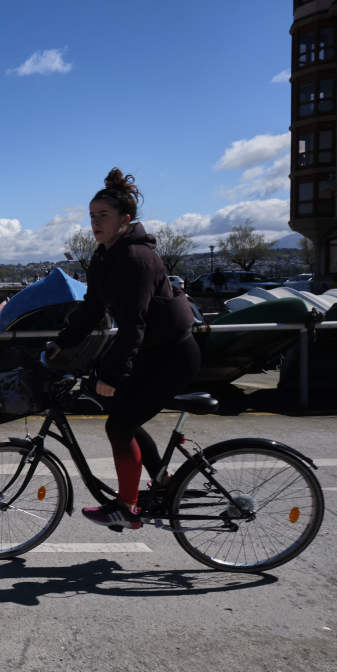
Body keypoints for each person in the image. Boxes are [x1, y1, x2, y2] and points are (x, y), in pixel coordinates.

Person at [46, 168, 199, 530]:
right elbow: (91, 309)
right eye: (92, 216)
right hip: (152, 348)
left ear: (125, 220)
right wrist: (61, 342)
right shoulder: (105, 255)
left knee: (119, 424)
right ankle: (162, 481)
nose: (95, 223)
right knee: (121, 414)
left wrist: (112, 374)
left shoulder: (135, 259)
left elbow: (134, 325)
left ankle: (126, 507)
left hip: (173, 355)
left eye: (104, 216)